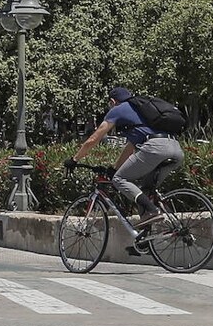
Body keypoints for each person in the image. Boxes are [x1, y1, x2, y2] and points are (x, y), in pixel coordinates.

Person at [66, 86, 185, 228]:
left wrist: (74, 159)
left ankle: (153, 211)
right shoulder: (141, 112)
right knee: (145, 192)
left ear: (112, 101)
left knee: (119, 179)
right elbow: (130, 148)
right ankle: (147, 242)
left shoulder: (118, 109)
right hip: (175, 148)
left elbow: (94, 138)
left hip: (155, 148)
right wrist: (115, 168)